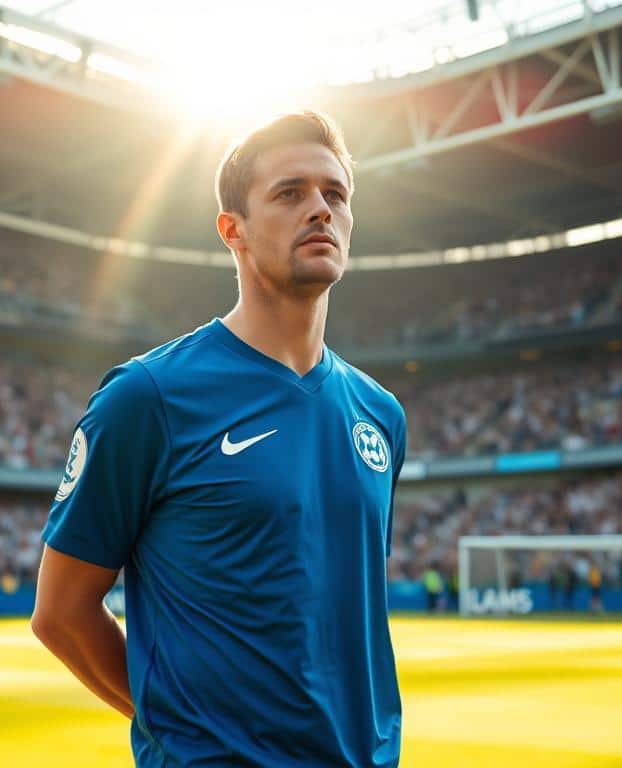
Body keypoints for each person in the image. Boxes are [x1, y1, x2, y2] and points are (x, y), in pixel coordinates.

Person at [30, 111, 406, 767]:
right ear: (233, 229)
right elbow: (61, 613)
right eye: (290, 193)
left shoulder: (380, 415)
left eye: (335, 194)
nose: (319, 209)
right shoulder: (147, 397)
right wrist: (186, 733)